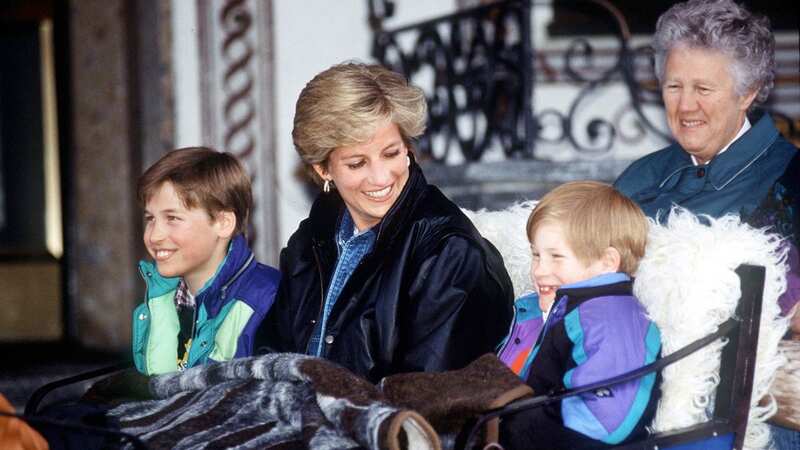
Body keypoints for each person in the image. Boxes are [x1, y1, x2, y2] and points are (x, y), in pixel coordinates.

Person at [255, 62, 514, 382]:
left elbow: (424, 402)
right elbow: (269, 355)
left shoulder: (451, 254)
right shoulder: (311, 239)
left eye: (391, 153)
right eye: (357, 163)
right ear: (324, 170)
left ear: (407, 147)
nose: (381, 177)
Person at [613, 1, 799, 447]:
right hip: (625, 391)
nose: (686, 104)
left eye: (704, 88)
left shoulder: (790, 180)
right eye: (673, 85)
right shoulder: (640, 176)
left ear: (748, 92)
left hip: (747, 415)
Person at [499, 181, 661, 450]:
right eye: (536, 256)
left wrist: (515, 425)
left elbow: (603, 419)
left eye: (556, 257)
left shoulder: (611, 316)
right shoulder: (567, 308)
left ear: (607, 262)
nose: (539, 270)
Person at [133, 147, 280, 375]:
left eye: (172, 218)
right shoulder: (162, 297)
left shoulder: (267, 298)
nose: (154, 236)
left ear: (223, 223)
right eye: (150, 219)